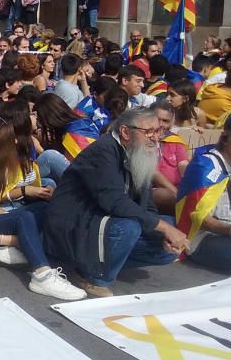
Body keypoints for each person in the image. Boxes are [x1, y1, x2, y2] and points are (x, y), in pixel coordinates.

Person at [43, 108, 188, 297]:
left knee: (168, 244)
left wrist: (163, 234)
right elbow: (113, 201)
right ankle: (90, 275)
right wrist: (161, 227)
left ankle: (96, 263)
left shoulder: (138, 152)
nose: (155, 137)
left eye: (158, 131)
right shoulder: (104, 150)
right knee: (130, 227)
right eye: (149, 132)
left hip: (101, 224)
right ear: (126, 132)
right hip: (74, 225)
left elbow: (146, 204)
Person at [0, 117, 87, 300]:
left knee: (41, 208)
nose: (16, 142)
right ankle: (42, 275)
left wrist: (12, 224)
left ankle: (21, 249)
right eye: (11, 140)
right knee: (23, 218)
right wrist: (8, 239)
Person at [177, 116, 231, 273]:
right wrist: (228, 230)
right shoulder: (205, 166)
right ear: (226, 137)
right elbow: (197, 218)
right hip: (203, 237)